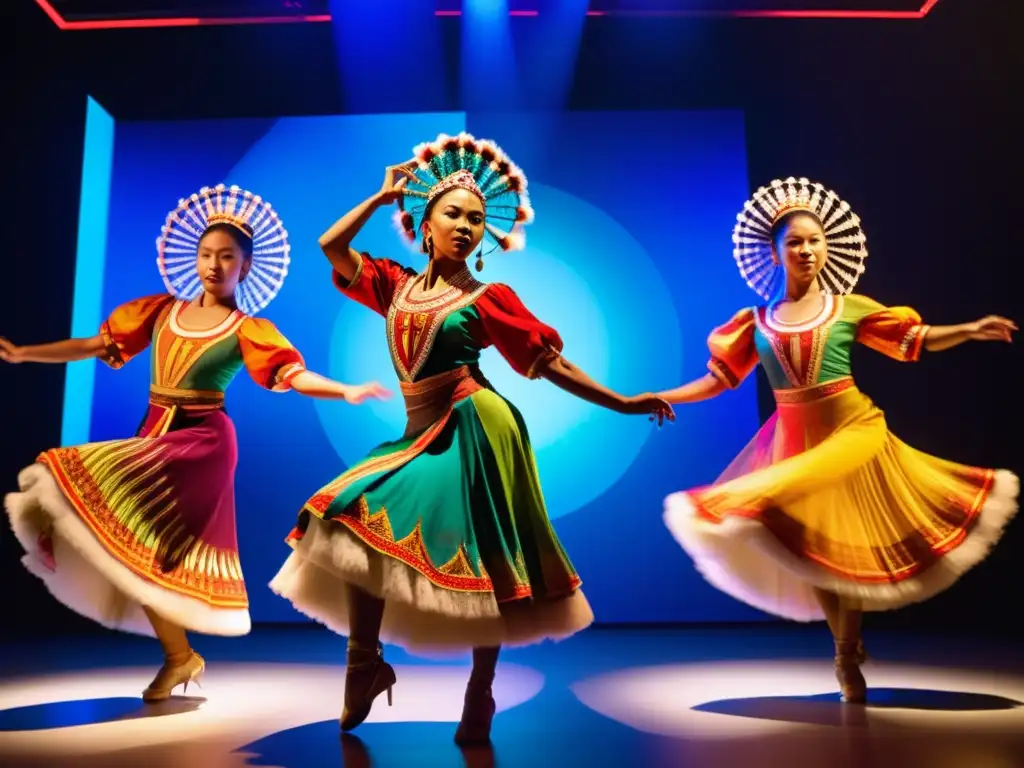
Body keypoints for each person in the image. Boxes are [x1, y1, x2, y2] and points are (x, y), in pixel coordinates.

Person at [270, 132, 674, 743]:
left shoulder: (488, 299)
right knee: (348, 514)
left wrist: (620, 402)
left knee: (489, 561)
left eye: (477, 219)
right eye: (453, 214)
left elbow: (549, 363)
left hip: (476, 426)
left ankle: (479, 693)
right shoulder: (394, 285)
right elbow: (331, 245)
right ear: (425, 223)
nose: (466, 225)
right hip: (419, 433)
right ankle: (363, 665)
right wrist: (381, 196)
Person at [2, 184, 389, 702]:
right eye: (207, 254)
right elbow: (96, 345)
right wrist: (26, 353)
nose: (213, 264)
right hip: (153, 434)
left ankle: (180, 657)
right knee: (138, 553)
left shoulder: (247, 328)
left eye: (227, 257)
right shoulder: (161, 312)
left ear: (244, 268)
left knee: (147, 548)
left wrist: (345, 389)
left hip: (201, 443)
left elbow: (292, 375)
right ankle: (179, 658)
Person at [658, 177, 1018, 704]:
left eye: (814, 240)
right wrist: (660, 396)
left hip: (853, 431)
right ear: (776, 255)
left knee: (787, 517)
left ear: (827, 248)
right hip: (795, 440)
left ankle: (847, 656)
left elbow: (912, 339)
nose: (806, 249)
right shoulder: (755, 323)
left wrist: (967, 329)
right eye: (795, 242)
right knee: (821, 552)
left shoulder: (849, 308)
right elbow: (718, 380)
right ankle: (846, 654)